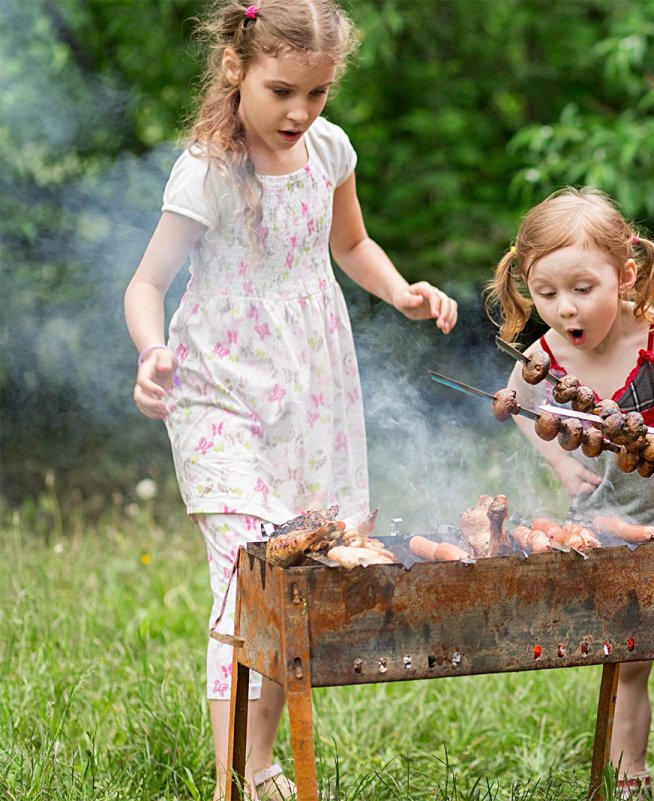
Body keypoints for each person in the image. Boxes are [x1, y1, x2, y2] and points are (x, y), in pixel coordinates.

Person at [124, 2, 457, 798]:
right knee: (248, 579)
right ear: (235, 70)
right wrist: (151, 351)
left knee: (297, 577)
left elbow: (351, 243)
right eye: (282, 91)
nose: (300, 111)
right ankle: (230, 782)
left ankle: (261, 761)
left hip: (313, 392)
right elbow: (146, 283)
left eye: (318, 92)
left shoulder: (329, 149)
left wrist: (398, 290)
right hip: (219, 392)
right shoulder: (209, 171)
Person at [486, 187, 654, 800]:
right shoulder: (543, 356)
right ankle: (630, 781)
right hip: (602, 522)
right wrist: (562, 467)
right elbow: (521, 408)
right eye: (546, 294)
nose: (565, 308)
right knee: (626, 658)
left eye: (582, 288)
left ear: (625, 275)